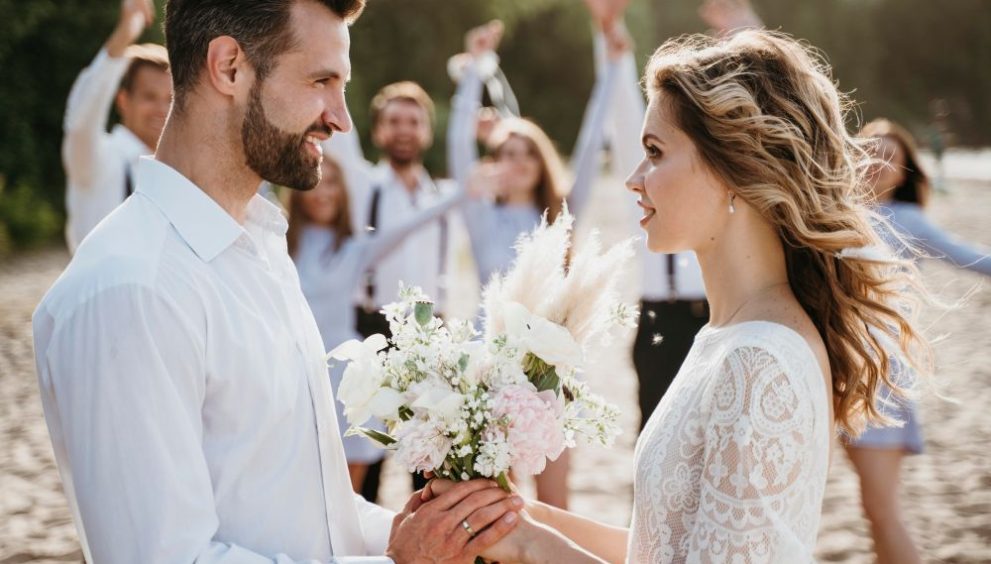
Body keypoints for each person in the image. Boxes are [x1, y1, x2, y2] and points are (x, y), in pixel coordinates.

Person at [32, 1, 522, 562]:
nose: (339, 118)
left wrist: (419, 534)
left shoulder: (261, 248)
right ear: (229, 67)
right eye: (321, 81)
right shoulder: (131, 291)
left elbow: (307, 511)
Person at [428, 29, 933, 564]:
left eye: (654, 152)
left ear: (735, 167)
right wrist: (526, 519)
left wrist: (535, 547)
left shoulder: (759, 364)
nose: (632, 178)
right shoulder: (725, 335)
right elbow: (667, 547)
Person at [446, 16, 622, 510]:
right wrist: (475, 71)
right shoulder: (480, 219)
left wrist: (610, 70)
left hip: (552, 373)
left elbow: (590, 146)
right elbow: (460, 150)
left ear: (541, 160)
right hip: (492, 368)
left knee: (553, 501)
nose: (518, 160)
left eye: (527, 152)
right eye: (506, 151)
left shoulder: (561, 215)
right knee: (498, 501)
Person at [844, 118, 990, 564]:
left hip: (879, 381)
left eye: (892, 159)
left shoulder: (907, 219)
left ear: (906, 173)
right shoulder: (836, 214)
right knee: (872, 512)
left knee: (881, 512)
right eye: (870, 153)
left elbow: (972, 258)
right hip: (839, 375)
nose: (878, 165)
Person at [287, 155, 466, 494]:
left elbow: (411, 226)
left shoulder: (355, 249)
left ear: (343, 193)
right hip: (296, 369)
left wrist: (460, 194)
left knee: (349, 482)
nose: (323, 192)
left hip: (345, 374)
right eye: (316, 183)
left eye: (333, 183)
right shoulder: (279, 242)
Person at [62, 0, 171, 254]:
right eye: (149, 97)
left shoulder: (178, 170)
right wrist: (124, 35)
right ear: (123, 100)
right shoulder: (97, 158)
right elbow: (80, 120)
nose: (162, 109)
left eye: (171, 99)